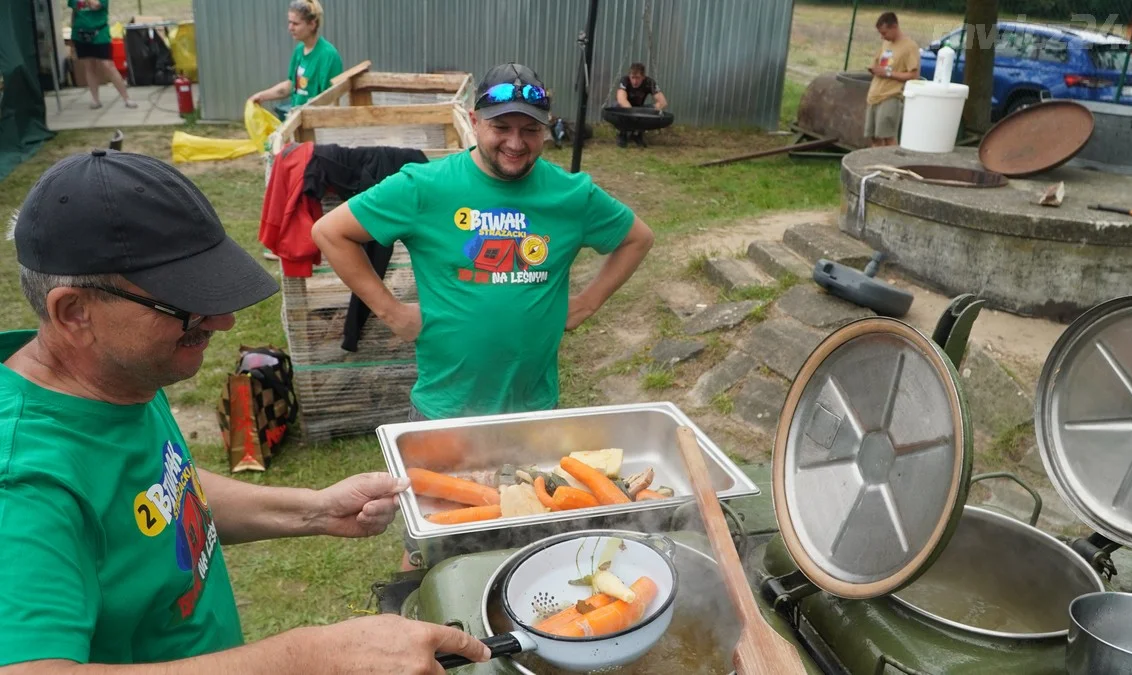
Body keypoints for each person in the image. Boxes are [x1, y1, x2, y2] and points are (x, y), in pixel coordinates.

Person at [0, 150, 491, 672]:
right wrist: (308, 658)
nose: (225, 321)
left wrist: (313, 509)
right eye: (184, 300)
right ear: (75, 312)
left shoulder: (114, 376)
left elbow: (160, 496)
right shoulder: (24, 485)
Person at [312, 63, 655, 422]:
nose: (516, 143)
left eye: (531, 130)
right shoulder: (425, 186)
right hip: (443, 411)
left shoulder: (571, 195)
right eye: (501, 127)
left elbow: (637, 238)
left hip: (534, 410)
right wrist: (390, 312)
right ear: (474, 122)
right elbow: (331, 232)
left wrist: (587, 304)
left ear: (546, 129)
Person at [248, 0, 344, 121]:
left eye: (296, 24)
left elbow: (331, 100)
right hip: (298, 122)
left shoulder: (328, 56)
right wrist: (261, 96)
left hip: (317, 127)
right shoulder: (299, 50)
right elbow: (291, 85)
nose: (290, 28)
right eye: (289, 22)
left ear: (312, 24)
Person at [865, 12, 920, 147]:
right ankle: (876, 164)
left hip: (891, 96)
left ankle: (891, 165)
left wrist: (888, 74)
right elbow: (881, 64)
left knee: (887, 137)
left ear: (894, 26)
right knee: (874, 137)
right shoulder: (886, 44)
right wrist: (875, 69)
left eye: (884, 33)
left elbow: (913, 75)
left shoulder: (910, 46)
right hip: (874, 95)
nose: (882, 37)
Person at [68, 0, 137, 110]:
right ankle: (95, 99)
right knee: (89, 66)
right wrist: (72, 33)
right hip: (80, 33)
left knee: (108, 65)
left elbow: (96, 5)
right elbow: (74, 12)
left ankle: (126, 98)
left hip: (99, 32)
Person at [614, 62, 667, 148]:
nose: (635, 81)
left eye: (638, 78)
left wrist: (652, 111)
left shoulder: (649, 82)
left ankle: (637, 134)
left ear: (643, 77)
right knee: (618, 106)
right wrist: (634, 114)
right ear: (629, 76)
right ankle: (622, 134)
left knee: (651, 110)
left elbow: (663, 102)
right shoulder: (625, 80)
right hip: (625, 107)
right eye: (633, 78)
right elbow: (621, 99)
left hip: (639, 108)